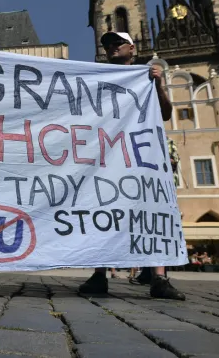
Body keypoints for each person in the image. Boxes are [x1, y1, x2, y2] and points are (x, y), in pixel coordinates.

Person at [77, 31, 184, 300]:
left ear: (132, 48)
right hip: (108, 153)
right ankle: (99, 275)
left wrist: (158, 84)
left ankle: (159, 277)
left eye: (117, 43)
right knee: (102, 210)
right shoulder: (97, 76)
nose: (111, 47)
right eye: (107, 44)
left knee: (151, 208)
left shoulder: (145, 76)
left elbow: (167, 113)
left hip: (140, 154)